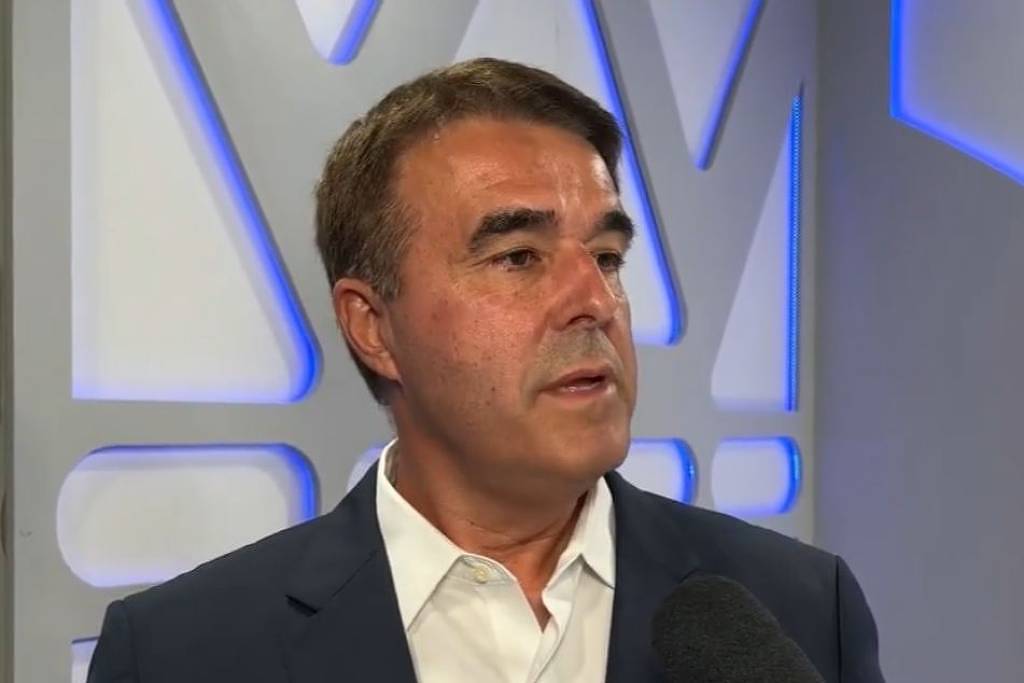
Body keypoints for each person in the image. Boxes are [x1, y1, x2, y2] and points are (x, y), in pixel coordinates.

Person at [87, 58, 884, 682]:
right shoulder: (181, 652)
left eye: (607, 255)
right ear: (373, 326)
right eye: (518, 257)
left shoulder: (801, 609)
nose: (594, 300)